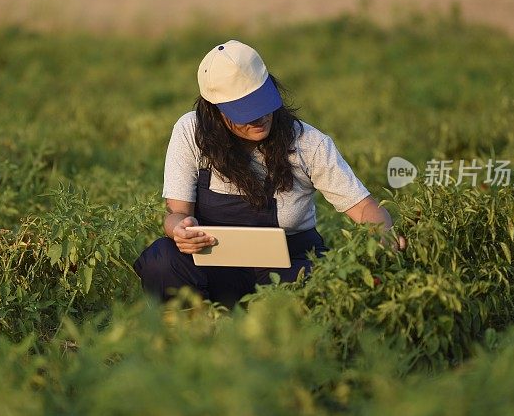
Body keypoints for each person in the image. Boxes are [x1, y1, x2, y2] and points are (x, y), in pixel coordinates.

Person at [133, 39, 403, 308]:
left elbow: (365, 208)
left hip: (290, 263)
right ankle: (193, 334)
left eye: (262, 103)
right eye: (244, 112)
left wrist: (384, 236)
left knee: (321, 285)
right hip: (214, 260)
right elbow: (176, 214)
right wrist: (179, 230)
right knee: (162, 259)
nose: (259, 117)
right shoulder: (191, 133)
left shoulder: (308, 143)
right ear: (214, 111)